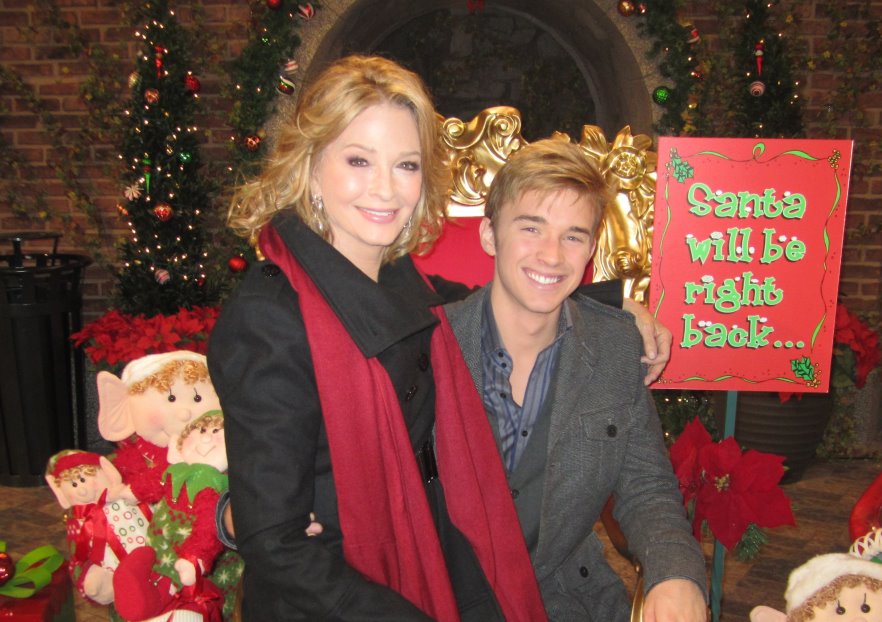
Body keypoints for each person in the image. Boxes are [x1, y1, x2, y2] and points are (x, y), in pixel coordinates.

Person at [208, 54, 672, 621]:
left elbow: (501, 295)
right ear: (310, 165)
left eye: (405, 164)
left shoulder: (402, 282)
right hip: (338, 602)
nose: (385, 189)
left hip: (426, 566)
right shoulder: (270, 318)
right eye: (359, 160)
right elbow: (277, 544)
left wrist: (616, 301)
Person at [443, 138, 708, 622]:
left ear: (590, 248)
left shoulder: (614, 348)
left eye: (573, 236)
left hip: (565, 598)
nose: (552, 256)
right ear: (489, 235)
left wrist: (676, 574)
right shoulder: (431, 343)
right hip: (442, 599)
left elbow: (646, 486)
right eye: (531, 228)